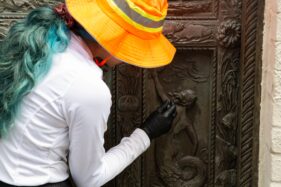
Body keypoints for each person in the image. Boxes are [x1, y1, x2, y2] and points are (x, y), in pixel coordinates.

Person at [0, 0, 177, 186]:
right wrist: (145, 134)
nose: (132, 59)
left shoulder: (41, 41)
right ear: (114, 39)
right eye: (136, 47)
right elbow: (89, 180)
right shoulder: (86, 85)